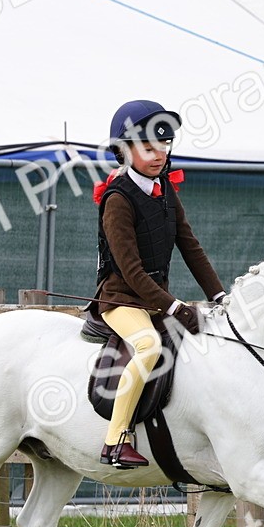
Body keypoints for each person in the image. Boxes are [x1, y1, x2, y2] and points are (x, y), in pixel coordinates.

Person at [92, 100, 227, 468]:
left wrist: (219, 296)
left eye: (164, 146)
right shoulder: (118, 200)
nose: (159, 155)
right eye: (149, 148)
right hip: (121, 300)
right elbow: (131, 272)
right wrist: (174, 306)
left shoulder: (164, 188)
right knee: (149, 347)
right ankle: (115, 440)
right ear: (124, 151)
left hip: (154, 299)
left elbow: (190, 246)